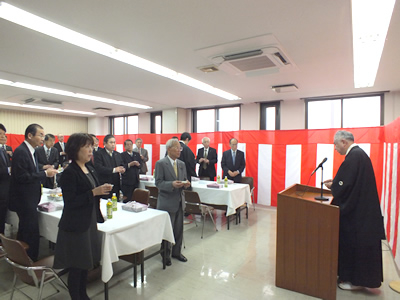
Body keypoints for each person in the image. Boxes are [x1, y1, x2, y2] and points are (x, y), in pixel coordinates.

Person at [53, 133, 112, 300]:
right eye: (87, 146)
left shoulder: (90, 168)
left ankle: (83, 295)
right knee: (76, 266)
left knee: (86, 264)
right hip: (76, 225)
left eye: (91, 146)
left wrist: (102, 190)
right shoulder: (70, 172)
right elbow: (71, 202)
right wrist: (93, 192)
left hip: (89, 222)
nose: (91, 150)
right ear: (75, 149)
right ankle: (76, 296)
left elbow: (93, 192)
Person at [324, 130, 385, 290]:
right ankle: (355, 279)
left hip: (358, 216)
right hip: (364, 212)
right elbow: (348, 182)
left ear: (344, 142)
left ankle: (353, 281)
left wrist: (334, 186)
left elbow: (345, 186)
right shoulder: (359, 155)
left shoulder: (354, 157)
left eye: (336, 145)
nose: (335, 148)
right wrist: (337, 183)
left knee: (353, 246)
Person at [8, 124, 58, 261]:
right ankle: (30, 261)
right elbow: (21, 177)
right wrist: (44, 174)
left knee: (25, 229)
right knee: (31, 231)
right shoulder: (21, 151)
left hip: (31, 197)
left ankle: (20, 257)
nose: (43, 138)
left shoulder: (32, 151)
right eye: (40, 135)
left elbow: (32, 172)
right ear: (30, 136)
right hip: (24, 199)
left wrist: (43, 172)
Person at [155, 139, 190, 266]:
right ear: (169, 149)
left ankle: (176, 252)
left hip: (179, 201)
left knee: (178, 229)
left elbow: (184, 179)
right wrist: (172, 184)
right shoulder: (161, 163)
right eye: (177, 148)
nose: (179, 151)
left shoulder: (181, 164)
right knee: (167, 231)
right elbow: (158, 183)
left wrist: (185, 184)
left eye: (180, 148)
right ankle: (165, 254)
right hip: (166, 202)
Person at [94, 134, 125, 198]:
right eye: (111, 142)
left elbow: (122, 165)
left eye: (114, 142)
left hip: (116, 184)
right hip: (104, 183)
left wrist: (123, 169)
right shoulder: (99, 154)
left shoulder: (118, 154)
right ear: (105, 143)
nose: (113, 144)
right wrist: (114, 170)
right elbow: (99, 168)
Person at [0, 124, 10, 234]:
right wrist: (8, 171)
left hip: (4, 191)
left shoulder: (3, 150)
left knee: (2, 219)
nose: (3, 137)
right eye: (0, 134)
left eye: (4, 134)